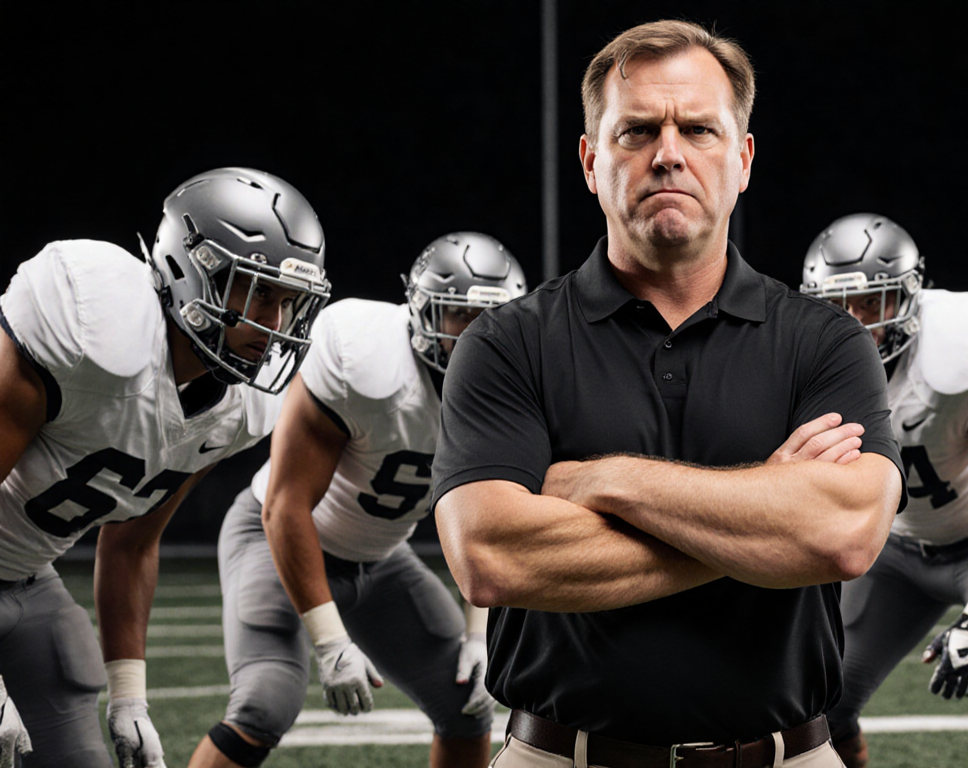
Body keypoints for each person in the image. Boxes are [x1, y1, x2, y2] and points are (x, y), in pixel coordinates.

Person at [432, 19, 906, 768]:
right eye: (637, 131)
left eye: (699, 129)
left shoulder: (826, 341)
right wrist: (767, 520)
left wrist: (601, 479)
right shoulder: (505, 343)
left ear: (743, 159)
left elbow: (841, 536)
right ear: (591, 161)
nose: (669, 154)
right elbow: (492, 558)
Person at [0, 167, 330, 768]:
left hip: (24, 574)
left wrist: (129, 696)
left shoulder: (235, 409)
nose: (274, 324)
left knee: (72, 705)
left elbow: (131, 544)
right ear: (190, 268)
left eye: (288, 302)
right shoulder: (90, 331)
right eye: (256, 291)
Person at [187, 232, 528, 768]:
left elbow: (490, 520)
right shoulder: (363, 356)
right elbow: (287, 503)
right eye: (457, 314)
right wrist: (329, 642)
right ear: (420, 310)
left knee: (467, 699)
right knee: (265, 703)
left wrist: (479, 636)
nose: (475, 333)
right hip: (276, 537)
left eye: (489, 317)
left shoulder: (511, 390)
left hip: (380, 557)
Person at [800, 213, 968, 767]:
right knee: (821, 697)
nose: (855, 322)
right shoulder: (802, 364)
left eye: (872, 303)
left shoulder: (958, 353)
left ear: (910, 297)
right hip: (894, 549)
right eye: (837, 306)